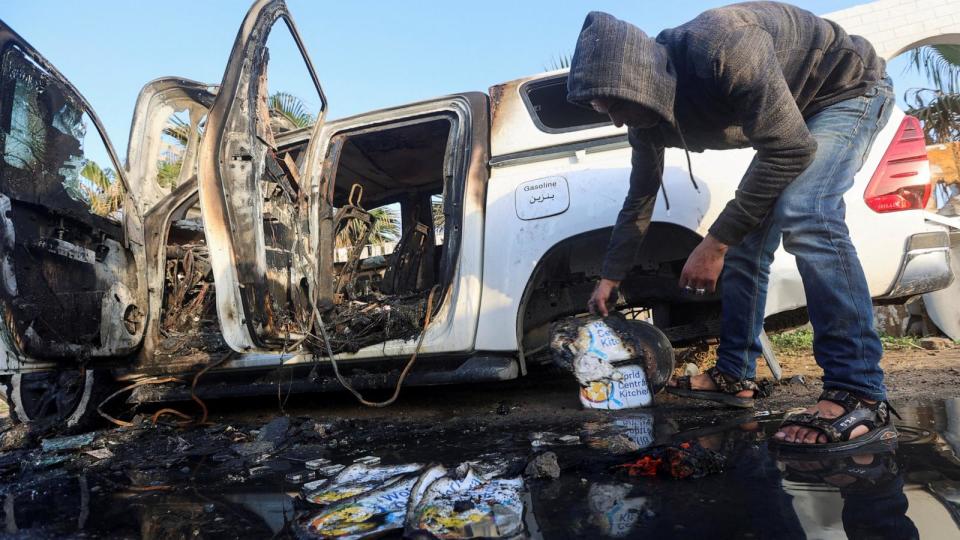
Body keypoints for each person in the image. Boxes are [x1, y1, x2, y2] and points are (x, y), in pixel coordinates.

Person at [567, 2, 897, 451]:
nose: (618, 120)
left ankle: (858, 392)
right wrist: (610, 277)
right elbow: (639, 197)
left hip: (846, 92)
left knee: (806, 213)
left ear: (643, 79)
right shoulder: (644, 118)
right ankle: (733, 376)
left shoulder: (722, 43)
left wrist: (715, 241)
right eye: (604, 111)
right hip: (791, 121)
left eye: (620, 105)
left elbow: (790, 149)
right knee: (745, 247)